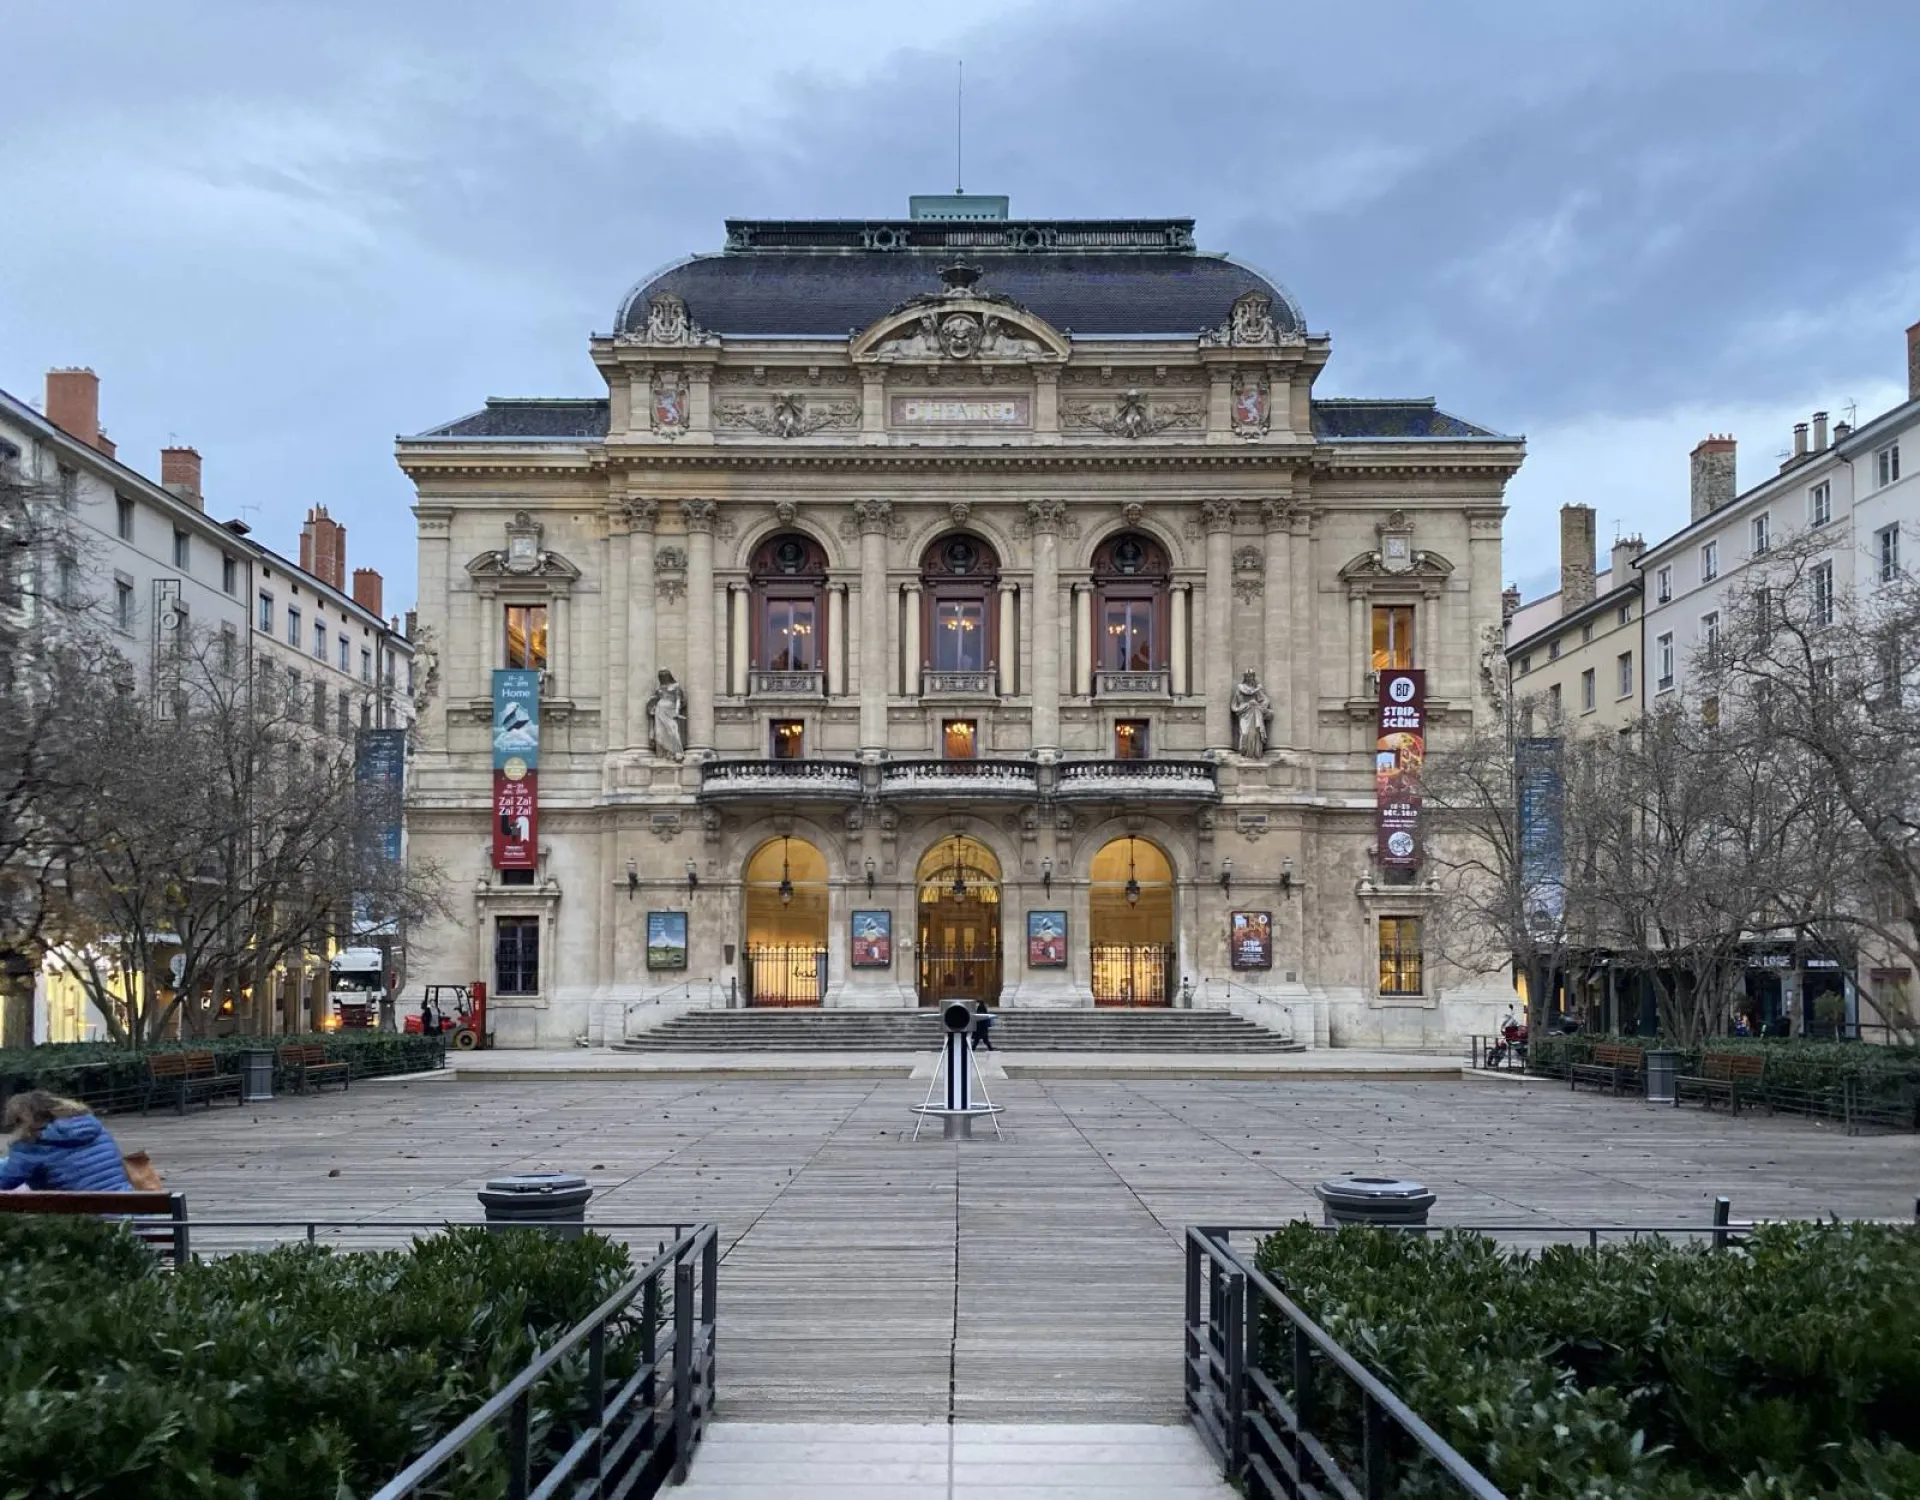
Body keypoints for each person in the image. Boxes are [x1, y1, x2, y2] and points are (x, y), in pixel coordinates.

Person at [0, 1091, 133, 1192]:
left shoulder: (31, 1143)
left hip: (87, 1215)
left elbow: (6, 1182)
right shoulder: (90, 1124)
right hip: (128, 1203)